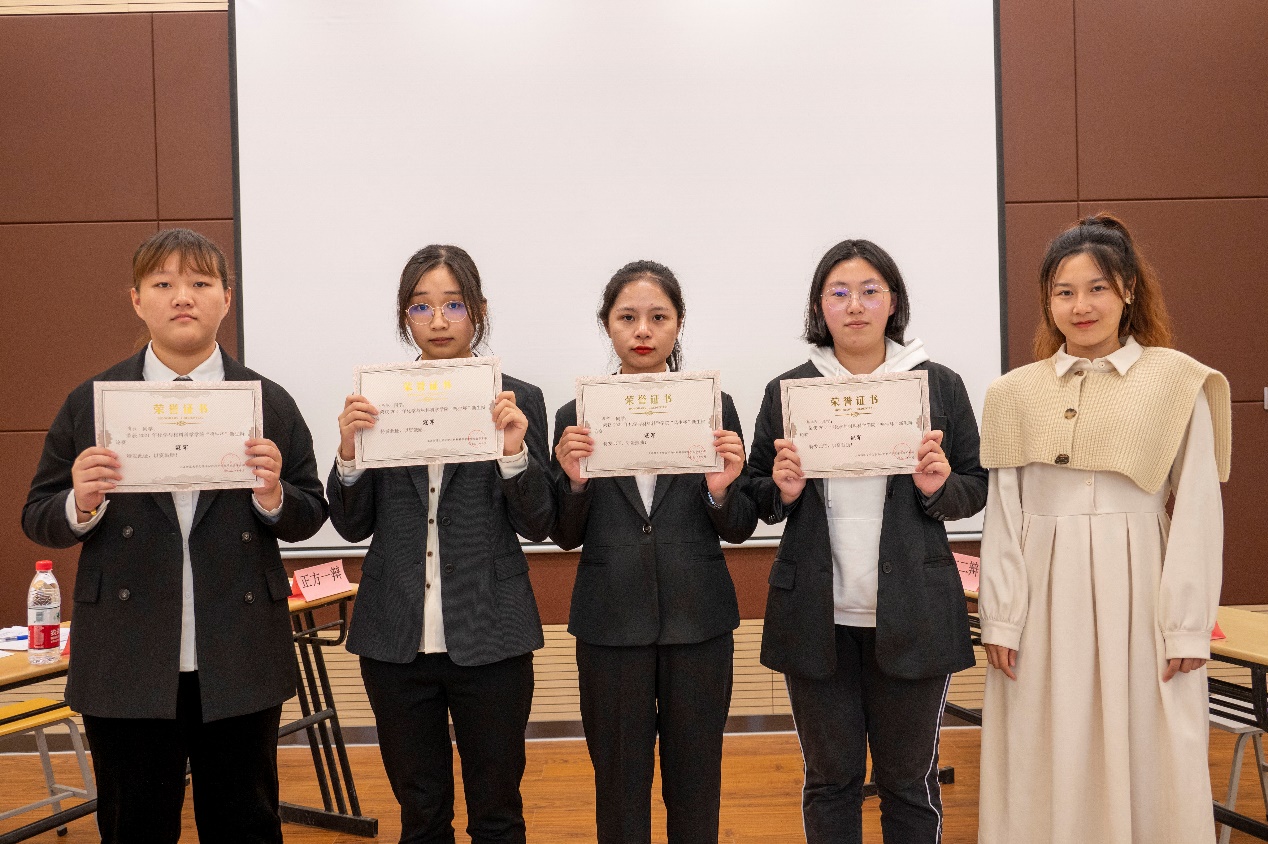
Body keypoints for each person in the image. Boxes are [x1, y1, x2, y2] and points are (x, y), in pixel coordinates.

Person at [22, 228, 328, 843]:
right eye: (163, 284)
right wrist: (80, 502)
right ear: (137, 300)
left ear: (226, 298)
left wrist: (273, 496)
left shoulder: (267, 401)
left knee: (245, 826)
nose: (182, 297)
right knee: (134, 827)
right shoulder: (92, 402)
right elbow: (37, 515)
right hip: (126, 656)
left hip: (238, 651)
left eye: (200, 283)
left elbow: (310, 511)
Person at [977, 214, 1231, 844]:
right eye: (1064, 292)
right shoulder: (1012, 393)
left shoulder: (1178, 380)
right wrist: (1001, 616)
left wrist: (1188, 622)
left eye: (1097, 288)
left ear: (1128, 291)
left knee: (1149, 744)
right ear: (1048, 301)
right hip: (1041, 595)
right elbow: (1004, 512)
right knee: (1043, 742)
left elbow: (1198, 507)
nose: (1081, 306)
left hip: (1141, 589)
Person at [747, 239, 987, 843]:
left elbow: (976, 486)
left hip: (915, 612)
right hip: (816, 617)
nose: (855, 305)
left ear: (893, 302)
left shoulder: (938, 384)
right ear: (819, 307)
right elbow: (755, 492)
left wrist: (938, 487)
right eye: (839, 293)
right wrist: (783, 490)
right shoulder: (789, 390)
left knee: (909, 782)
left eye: (869, 291)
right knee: (831, 780)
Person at [327, 244, 555, 844]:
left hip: (492, 633)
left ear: (479, 310)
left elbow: (539, 522)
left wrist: (513, 453)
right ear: (404, 316)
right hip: (395, 638)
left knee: (497, 812)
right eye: (420, 306)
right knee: (422, 815)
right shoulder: (380, 397)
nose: (437, 320)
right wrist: (350, 453)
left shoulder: (518, 398)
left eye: (453, 304)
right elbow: (351, 526)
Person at [551, 260, 757, 843]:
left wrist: (721, 491)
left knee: (696, 783)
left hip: (699, 621)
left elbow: (740, 526)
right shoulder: (576, 416)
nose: (643, 330)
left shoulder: (714, 406)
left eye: (658, 317)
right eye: (627, 317)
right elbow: (563, 533)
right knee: (619, 786)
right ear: (607, 325)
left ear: (678, 324)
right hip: (609, 623)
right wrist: (574, 484)